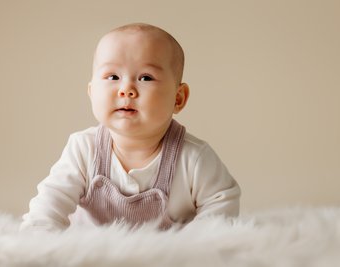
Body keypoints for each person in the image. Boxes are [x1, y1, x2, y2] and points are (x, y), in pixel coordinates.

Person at [20, 23, 240, 231]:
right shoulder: (83, 149)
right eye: (113, 76)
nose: (126, 89)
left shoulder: (193, 157)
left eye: (145, 77)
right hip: (94, 254)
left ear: (178, 98)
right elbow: (49, 204)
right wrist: (41, 242)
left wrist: (194, 246)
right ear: (91, 92)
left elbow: (221, 203)